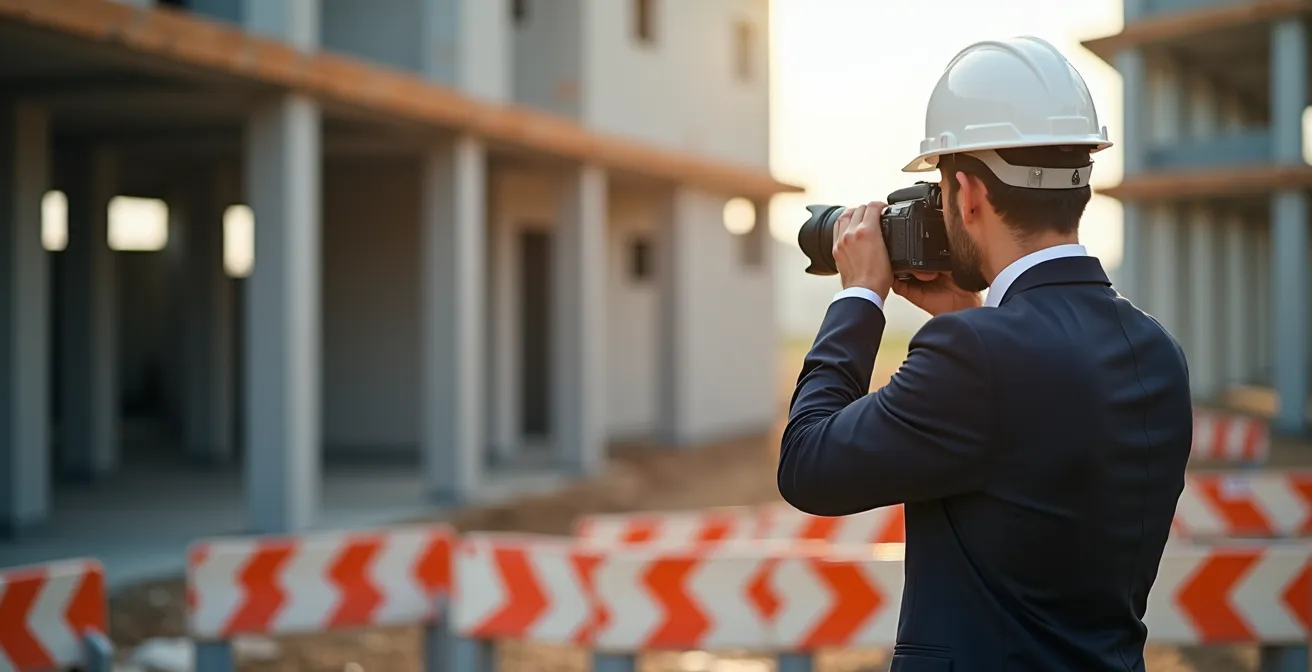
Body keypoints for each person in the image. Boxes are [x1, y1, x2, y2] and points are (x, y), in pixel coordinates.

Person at [778, 36, 1193, 671]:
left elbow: (808, 464)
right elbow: (1033, 467)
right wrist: (968, 318)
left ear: (967, 194)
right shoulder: (1157, 353)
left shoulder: (975, 359)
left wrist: (861, 296)